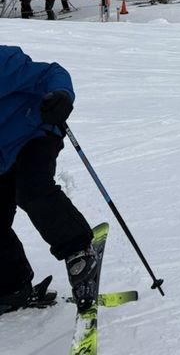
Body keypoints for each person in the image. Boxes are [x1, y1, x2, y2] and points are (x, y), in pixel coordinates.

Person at [0, 46, 98, 314]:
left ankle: (78, 249)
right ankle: (12, 285)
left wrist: (61, 96)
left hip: (35, 131)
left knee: (32, 190)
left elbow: (51, 72)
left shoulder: (3, 62)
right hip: (2, 156)